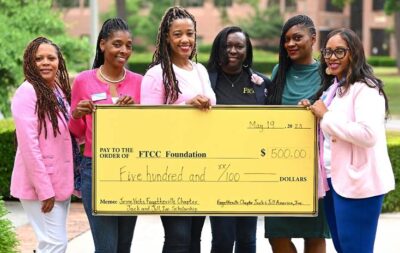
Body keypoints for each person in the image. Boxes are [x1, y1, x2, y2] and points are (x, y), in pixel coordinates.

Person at [300, 28, 395, 253]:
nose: (332, 58)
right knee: (344, 247)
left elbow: (368, 134)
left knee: (355, 248)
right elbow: (329, 128)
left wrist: (326, 114)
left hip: (358, 184)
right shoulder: (336, 87)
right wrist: (311, 111)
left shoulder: (366, 89)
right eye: (328, 52)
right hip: (334, 181)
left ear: (354, 53)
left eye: (339, 52)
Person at [140, 6, 216, 253]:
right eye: (178, 34)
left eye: (190, 33)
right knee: (178, 238)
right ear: (166, 38)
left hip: (201, 165)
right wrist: (185, 105)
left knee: (195, 238)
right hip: (170, 168)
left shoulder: (201, 71)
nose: (185, 40)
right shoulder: (156, 74)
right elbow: (149, 125)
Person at [69, 18, 142, 252]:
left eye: (128, 45)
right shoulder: (83, 81)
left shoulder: (140, 83)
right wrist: (77, 114)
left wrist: (137, 112)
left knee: (123, 247)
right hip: (96, 169)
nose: (124, 51)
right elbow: (77, 133)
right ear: (103, 45)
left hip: (131, 169)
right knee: (106, 247)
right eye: (117, 44)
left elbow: (147, 131)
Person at [264, 15, 330, 253]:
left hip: (313, 168)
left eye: (297, 38)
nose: (290, 43)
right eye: (287, 39)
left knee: (314, 235)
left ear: (313, 39)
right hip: (280, 166)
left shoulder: (326, 74)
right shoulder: (278, 71)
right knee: (277, 235)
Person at [206, 26, 271, 253]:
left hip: (250, 172)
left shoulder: (260, 83)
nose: (232, 50)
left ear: (247, 50)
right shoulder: (205, 79)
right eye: (227, 45)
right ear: (218, 48)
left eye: (238, 46)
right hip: (217, 172)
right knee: (223, 240)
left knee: (247, 240)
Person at [11, 37, 73, 252]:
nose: (45, 62)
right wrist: (44, 190)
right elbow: (29, 146)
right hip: (40, 187)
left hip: (59, 184)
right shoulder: (27, 92)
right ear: (29, 62)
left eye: (51, 58)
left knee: (49, 243)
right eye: (39, 58)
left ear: (59, 62)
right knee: (55, 244)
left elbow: (65, 135)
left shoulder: (56, 90)